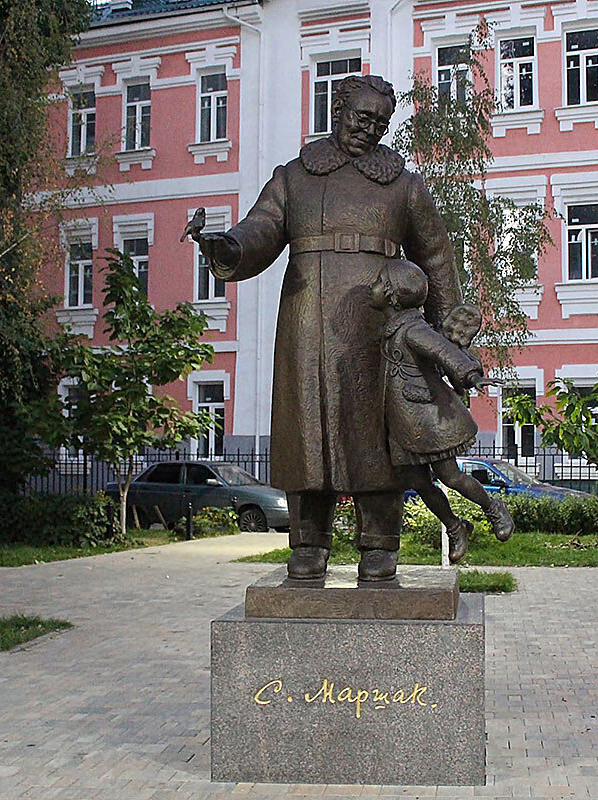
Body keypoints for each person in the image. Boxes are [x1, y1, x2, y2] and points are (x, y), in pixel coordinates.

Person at [185, 74, 460, 581]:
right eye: (362, 117)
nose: (370, 129)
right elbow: (261, 229)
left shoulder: (403, 184)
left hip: (377, 325)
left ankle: (380, 544)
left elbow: (437, 256)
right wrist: (229, 246)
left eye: (380, 123)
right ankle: (308, 542)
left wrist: (449, 329)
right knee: (305, 429)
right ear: (339, 110)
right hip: (306, 319)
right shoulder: (295, 177)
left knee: (376, 437)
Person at [369, 259, 515, 563]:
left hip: (429, 418)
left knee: (451, 476)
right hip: (403, 422)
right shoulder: (392, 328)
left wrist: (471, 376)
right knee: (419, 483)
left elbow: (444, 351)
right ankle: (455, 526)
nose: (373, 287)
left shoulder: (413, 330)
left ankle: (493, 508)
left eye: (380, 283)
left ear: (393, 295)